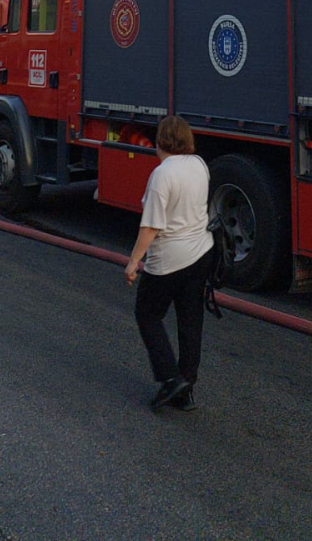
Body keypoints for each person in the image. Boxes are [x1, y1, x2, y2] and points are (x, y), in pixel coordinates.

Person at [125, 115, 214, 412]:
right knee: (190, 321)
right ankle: (186, 388)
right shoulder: (199, 165)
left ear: (160, 141)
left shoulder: (162, 174)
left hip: (169, 259)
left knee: (147, 314)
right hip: (200, 253)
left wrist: (134, 262)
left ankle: (170, 377)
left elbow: (151, 226)